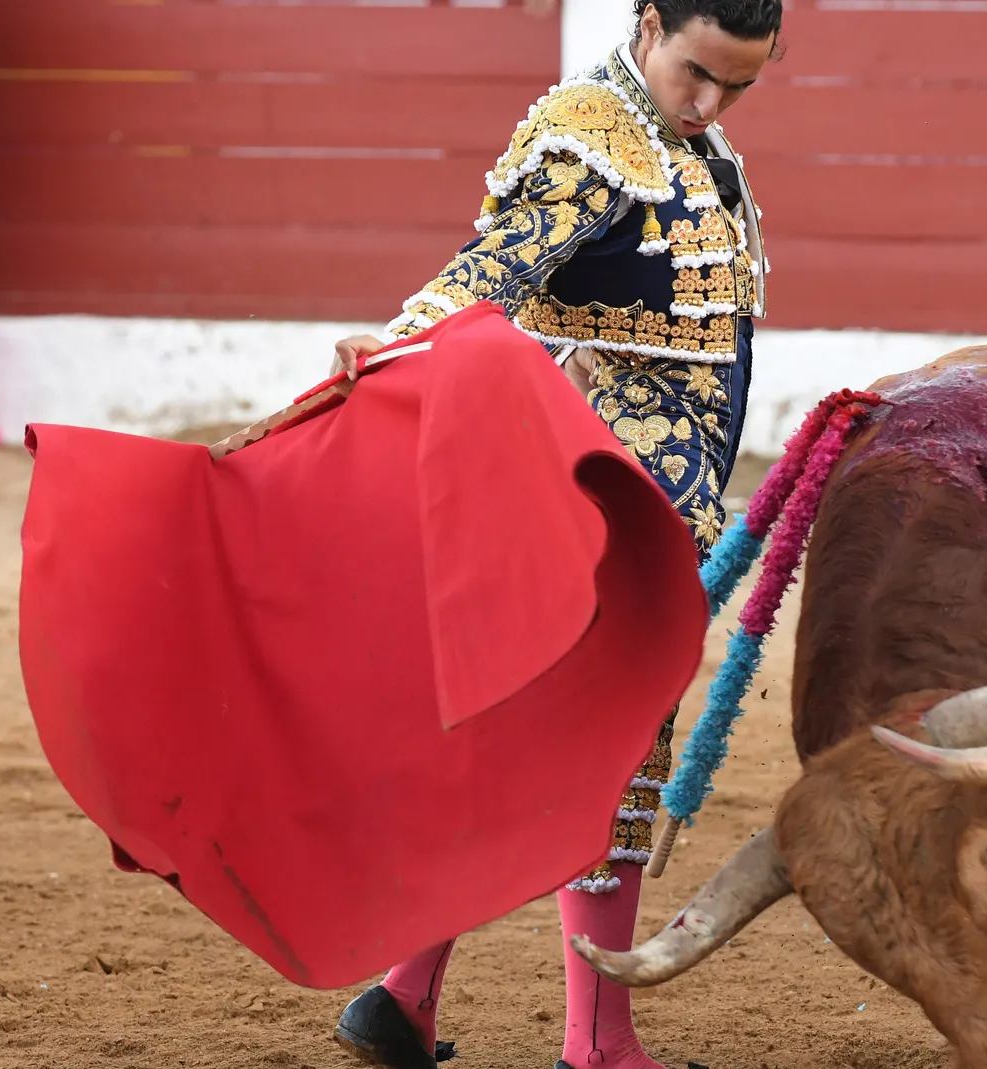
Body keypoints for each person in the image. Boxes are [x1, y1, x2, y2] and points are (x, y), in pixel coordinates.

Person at [329, 2, 781, 1067]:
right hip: (609, 497)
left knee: (529, 742)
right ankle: (597, 1043)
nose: (709, 101)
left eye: (739, 85)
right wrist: (396, 345)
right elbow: (497, 268)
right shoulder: (593, 134)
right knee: (613, 741)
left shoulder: (686, 144)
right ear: (649, 21)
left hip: (648, 484)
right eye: (696, 71)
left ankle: (402, 999)